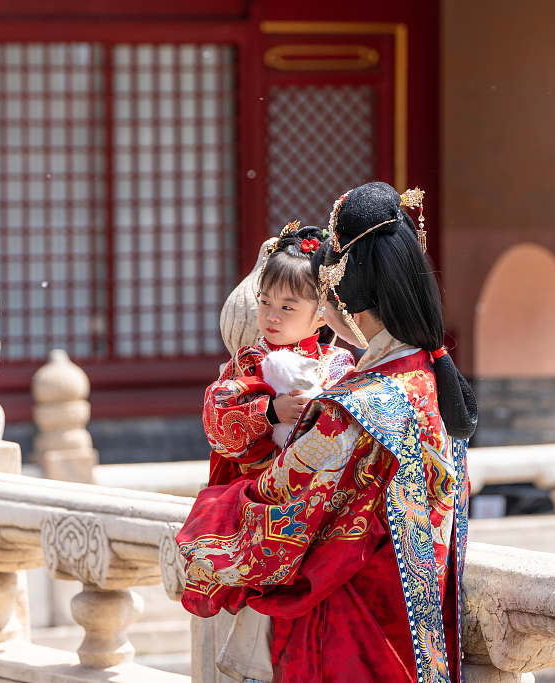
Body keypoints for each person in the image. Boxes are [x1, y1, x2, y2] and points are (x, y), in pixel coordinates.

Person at [178, 182, 476, 683]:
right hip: (418, 636)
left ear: (334, 299)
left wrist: (204, 526)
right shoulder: (430, 382)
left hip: (345, 637)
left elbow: (275, 520)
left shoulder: (353, 408)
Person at [201, 222, 355, 682]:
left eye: (288, 306)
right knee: (265, 613)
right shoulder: (246, 362)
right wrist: (270, 411)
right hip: (263, 505)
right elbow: (217, 419)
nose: (272, 315)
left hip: (321, 510)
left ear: (321, 314)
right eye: (266, 302)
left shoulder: (341, 366)